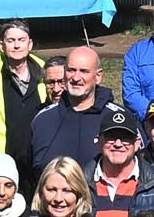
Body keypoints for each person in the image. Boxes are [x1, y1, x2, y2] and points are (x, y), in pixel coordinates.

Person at [0, 20, 47, 168]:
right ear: (1, 46)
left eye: (21, 40)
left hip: (38, 160)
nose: (16, 45)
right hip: (0, 163)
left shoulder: (45, 78)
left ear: (30, 44)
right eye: (11, 41)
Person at [28, 45, 107, 178]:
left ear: (98, 76)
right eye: (71, 70)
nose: (76, 78)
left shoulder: (115, 118)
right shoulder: (42, 120)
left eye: (84, 71)